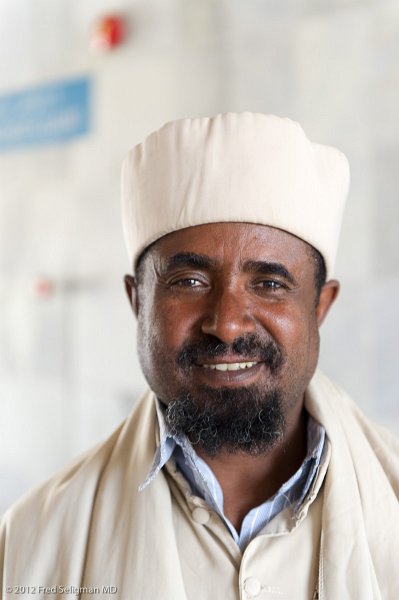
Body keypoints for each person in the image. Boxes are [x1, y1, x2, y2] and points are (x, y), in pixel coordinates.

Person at [1, 113, 399, 600]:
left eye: (270, 284)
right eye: (189, 282)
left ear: (320, 306)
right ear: (138, 302)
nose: (228, 323)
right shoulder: (32, 539)